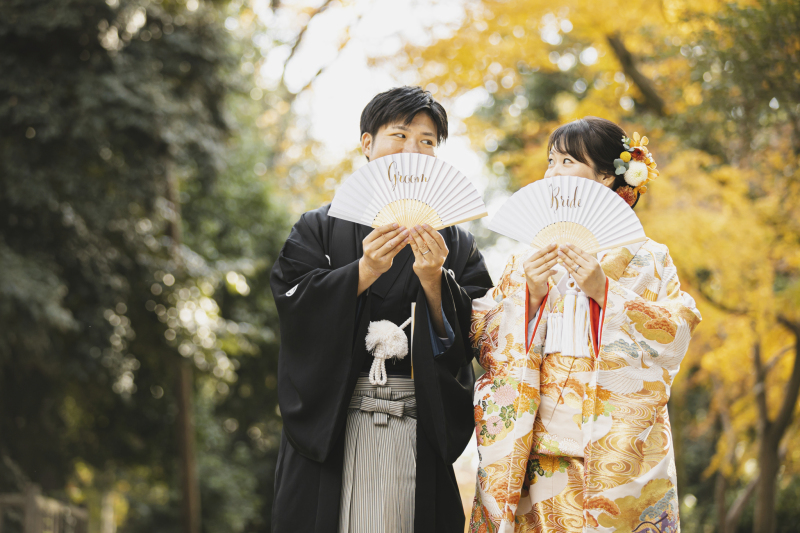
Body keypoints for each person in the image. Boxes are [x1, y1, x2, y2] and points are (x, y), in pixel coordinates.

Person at [270, 86, 493, 533]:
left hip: (416, 417)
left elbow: (479, 334)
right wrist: (364, 270)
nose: (413, 149)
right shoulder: (318, 227)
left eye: (427, 141)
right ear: (367, 144)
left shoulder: (456, 243)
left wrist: (435, 282)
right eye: (399, 135)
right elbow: (293, 306)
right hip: (333, 419)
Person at [468, 117, 702, 532]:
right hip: (537, 443)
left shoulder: (648, 257)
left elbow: (674, 332)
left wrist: (604, 292)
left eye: (567, 161)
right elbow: (483, 335)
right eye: (550, 161)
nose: (553, 172)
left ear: (608, 176)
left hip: (613, 446)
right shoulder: (527, 259)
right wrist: (531, 295)